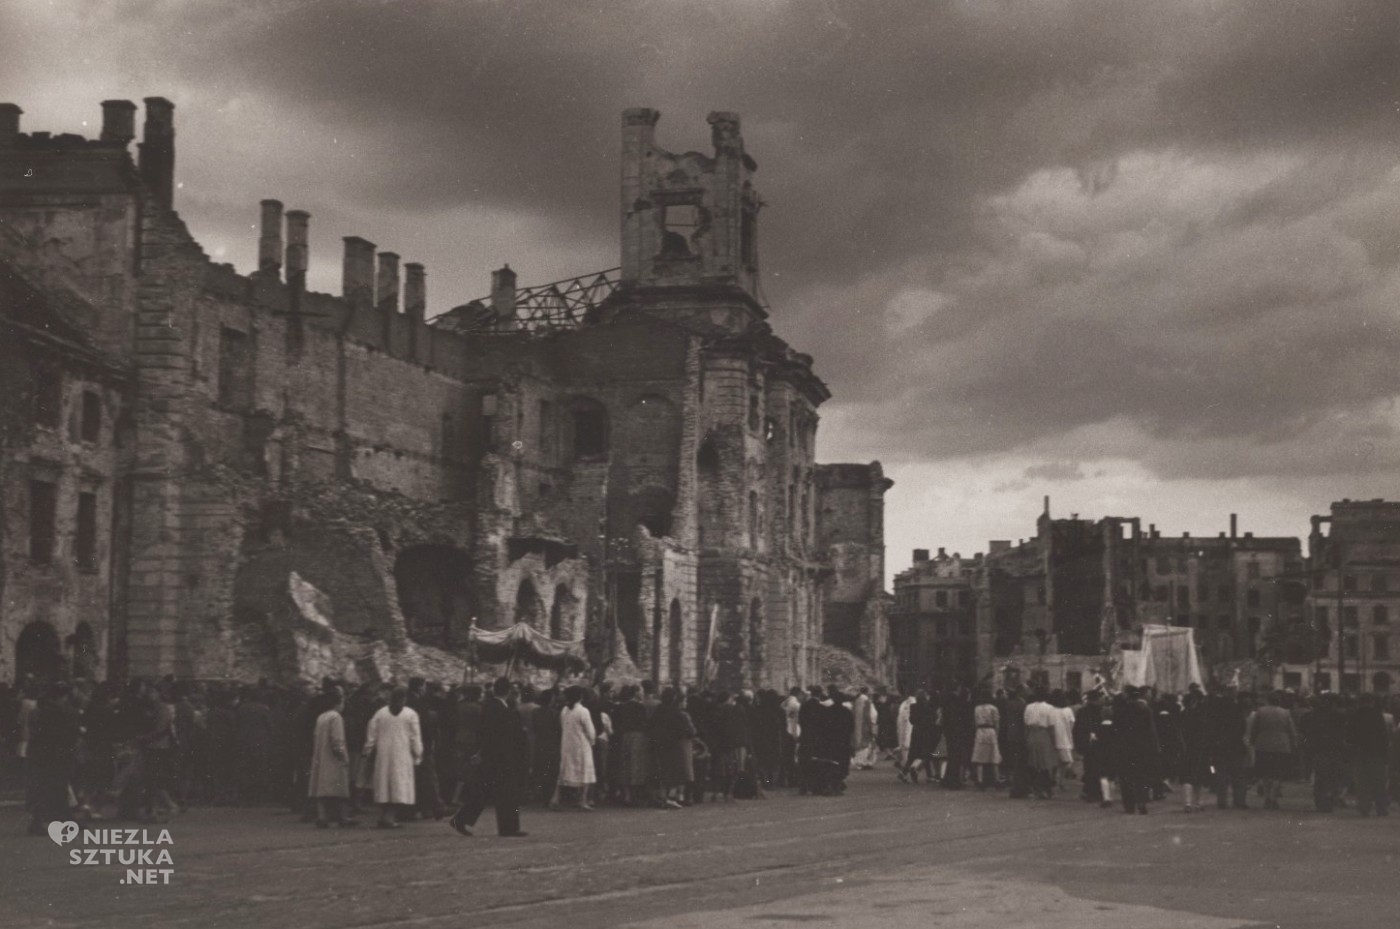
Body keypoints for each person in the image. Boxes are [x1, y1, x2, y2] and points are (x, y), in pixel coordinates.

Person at [452, 677, 529, 837]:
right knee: (507, 792)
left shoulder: (490, 706)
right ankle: (508, 827)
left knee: (483, 791)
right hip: (500, 756)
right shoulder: (500, 708)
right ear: (508, 691)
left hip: (492, 755)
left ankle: (462, 818)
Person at [26, 682, 82, 836]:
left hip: (41, 753)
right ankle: (45, 821)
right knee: (57, 786)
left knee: (45, 786)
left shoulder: (38, 711)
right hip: (58, 754)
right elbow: (70, 733)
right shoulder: (62, 711)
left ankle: (49, 820)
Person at [362, 686, 422, 828]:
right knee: (398, 784)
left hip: (383, 754)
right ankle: (389, 818)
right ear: (405, 699)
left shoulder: (380, 713)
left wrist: (368, 750)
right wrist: (418, 753)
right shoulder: (410, 714)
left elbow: (371, 735)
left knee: (384, 783)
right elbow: (415, 737)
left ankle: (384, 816)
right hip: (402, 754)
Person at [308, 688, 357, 827]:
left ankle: (322, 816)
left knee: (322, 788)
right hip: (333, 758)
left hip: (321, 756)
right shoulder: (336, 718)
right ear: (339, 702)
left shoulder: (321, 717)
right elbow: (337, 740)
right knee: (340, 787)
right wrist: (343, 756)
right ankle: (343, 817)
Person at [1246, 690, 1297, 811]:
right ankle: (1273, 798)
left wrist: (1252, 741)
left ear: (1268, 700)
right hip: (1281, 746)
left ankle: (1267, 797)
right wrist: (1293, 743)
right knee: (1277, 774)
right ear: (1278, 701)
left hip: (1263, 745)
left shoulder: (1260, 711)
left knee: (1265, 773)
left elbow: (1254, 729)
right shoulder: (1285, 713)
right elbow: (1291, 730)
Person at [1115, 687, 1159, 815]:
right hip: (1142, 748)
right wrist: (1154, 747)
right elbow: (1151, 731)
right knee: (1142, 776)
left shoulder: (1120, 710)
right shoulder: (1145, 710)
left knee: (1126, 777)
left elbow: (1116, 731)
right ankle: (1142, 802)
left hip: (1125, 748)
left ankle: (1129, 805)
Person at [648, 688, 696, 809]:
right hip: (673, 744)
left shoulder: (658, 710)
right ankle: (670, 797)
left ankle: (661, 797)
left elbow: (651, 725)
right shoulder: (677, 713)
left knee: (661, 771)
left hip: (658, 744)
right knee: (674, 772)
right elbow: (689, 730)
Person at [555, 686, 597, 810]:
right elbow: (590, 731)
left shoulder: (564, 710)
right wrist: (592, 741)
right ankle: (582, 799)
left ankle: (556, 797)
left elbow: (562, 725)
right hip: (581, 744)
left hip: (567, 743)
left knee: (564, 770)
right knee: (585, 770)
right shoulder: (583, 711)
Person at [1349, 693, 1391, 817]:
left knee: (1362, 782)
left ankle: (1364, 807)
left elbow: (1350, 736)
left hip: (1360, 752)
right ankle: (1381, 808)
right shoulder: (1377, 715)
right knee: (1379, 781)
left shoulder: (1354, 715)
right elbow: (1384, 736)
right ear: (1371, 702)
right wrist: (1385, 753)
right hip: (1376, 753)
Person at [1023, 690, 1059, 800]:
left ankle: (1035, 789)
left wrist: (1026, 738)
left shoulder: (1028, 707)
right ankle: (1046, 790)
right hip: (1044, 734)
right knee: (1045, 763)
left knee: (1033, 763)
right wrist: (1054, 741)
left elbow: (1025, 724)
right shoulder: (1049, 708)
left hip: (1031, 734)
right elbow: (1052, 727)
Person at [970, 689, 1001, 788]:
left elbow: (975, 722)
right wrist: (997, 733)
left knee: (980, 757)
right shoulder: (993, 708)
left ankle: (980, 780)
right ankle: (997, 779)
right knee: (993, 756)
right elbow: (997, 722)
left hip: (980, 731)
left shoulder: (977, 708)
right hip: (991, 731)